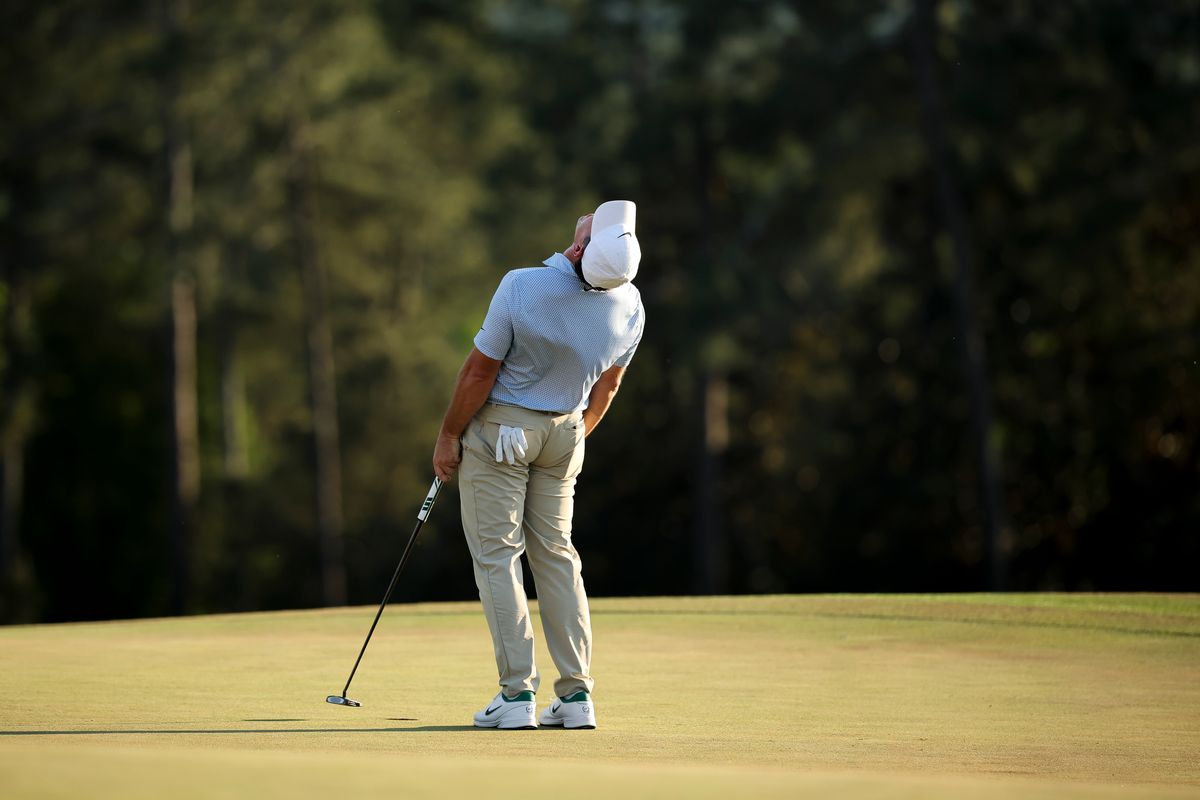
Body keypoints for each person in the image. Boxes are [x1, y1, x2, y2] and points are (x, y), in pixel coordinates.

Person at [431, 200, 644, 730]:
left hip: (502, 432)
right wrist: (568, 437)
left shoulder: (522, 286)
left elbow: (479, 374)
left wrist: (448, 434)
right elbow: (608, 387)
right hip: (567, 432)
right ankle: (575, 698)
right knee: (556, 555)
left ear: (578, 249)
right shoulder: (632, 304)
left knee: (498, 556)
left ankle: (516, 695)